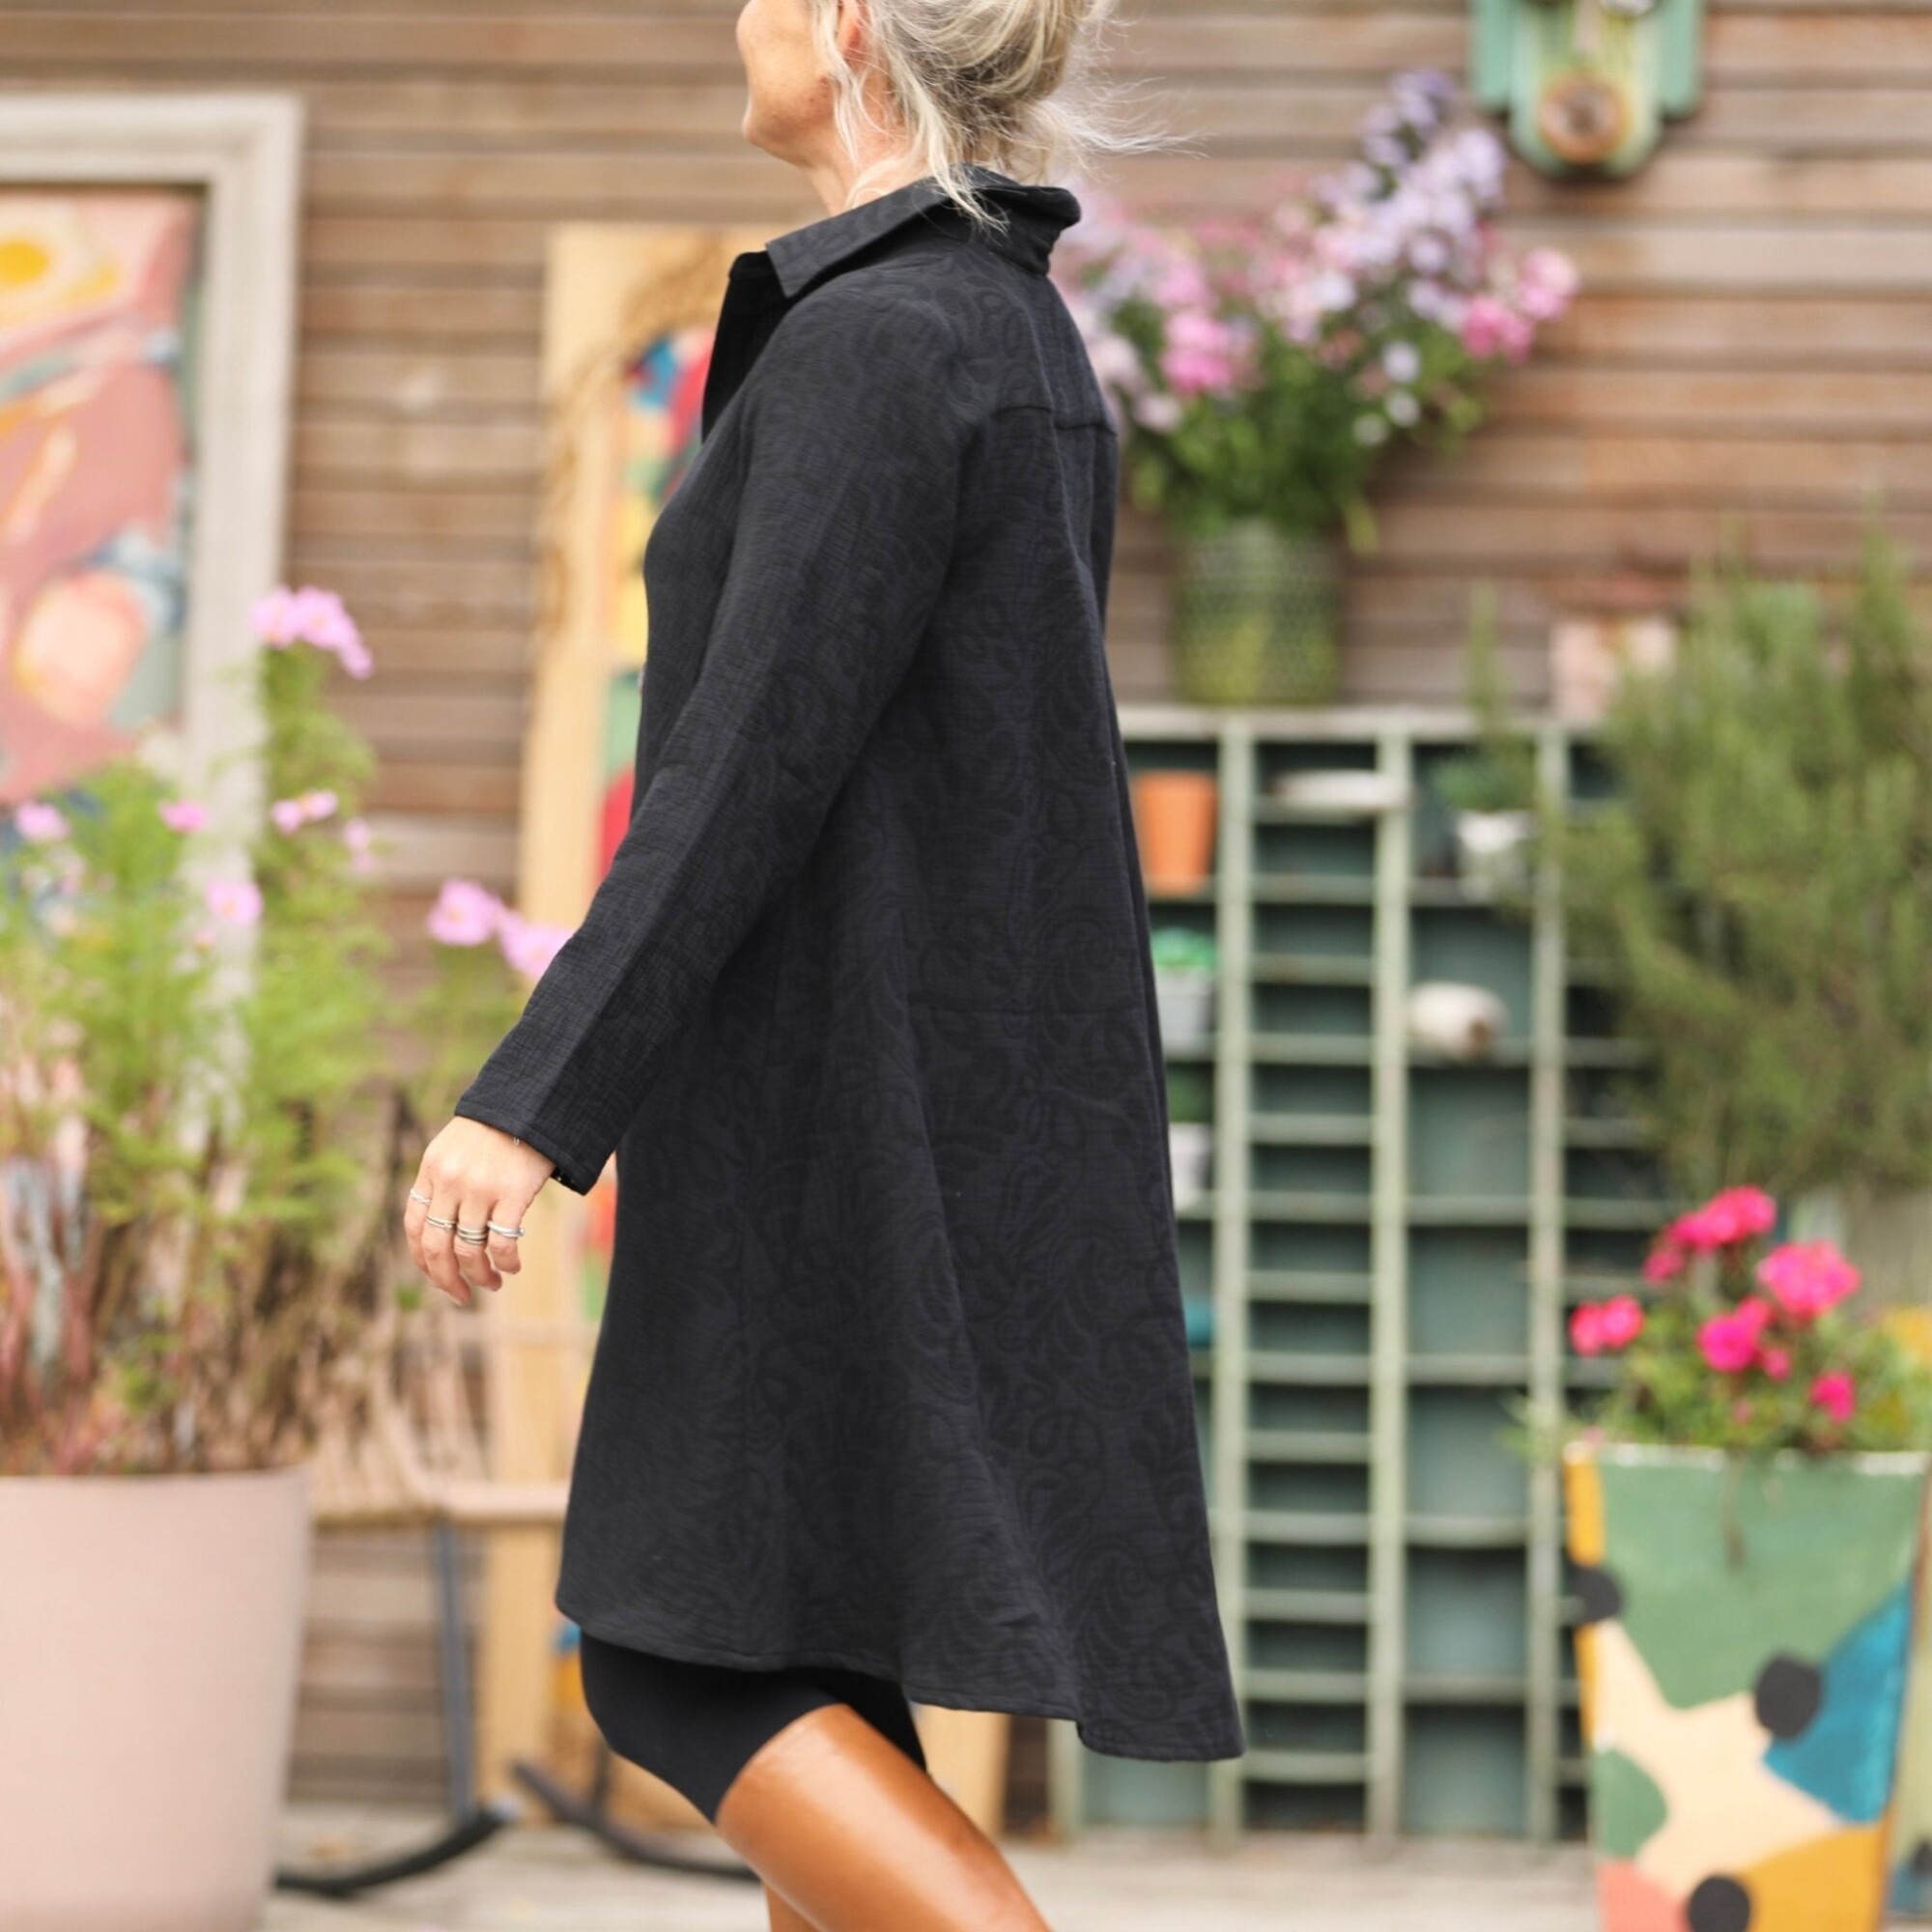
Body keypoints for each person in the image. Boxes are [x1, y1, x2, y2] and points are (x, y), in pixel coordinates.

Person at [404, 0, 1245, 1922]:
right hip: (903, 1089)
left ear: (848, 26)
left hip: (829, 1106)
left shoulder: (885, 342)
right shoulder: (994, 330)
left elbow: (739, 767)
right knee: (801, 1637)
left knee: (682, 1652)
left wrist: (528, 1106)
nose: (740, 21)